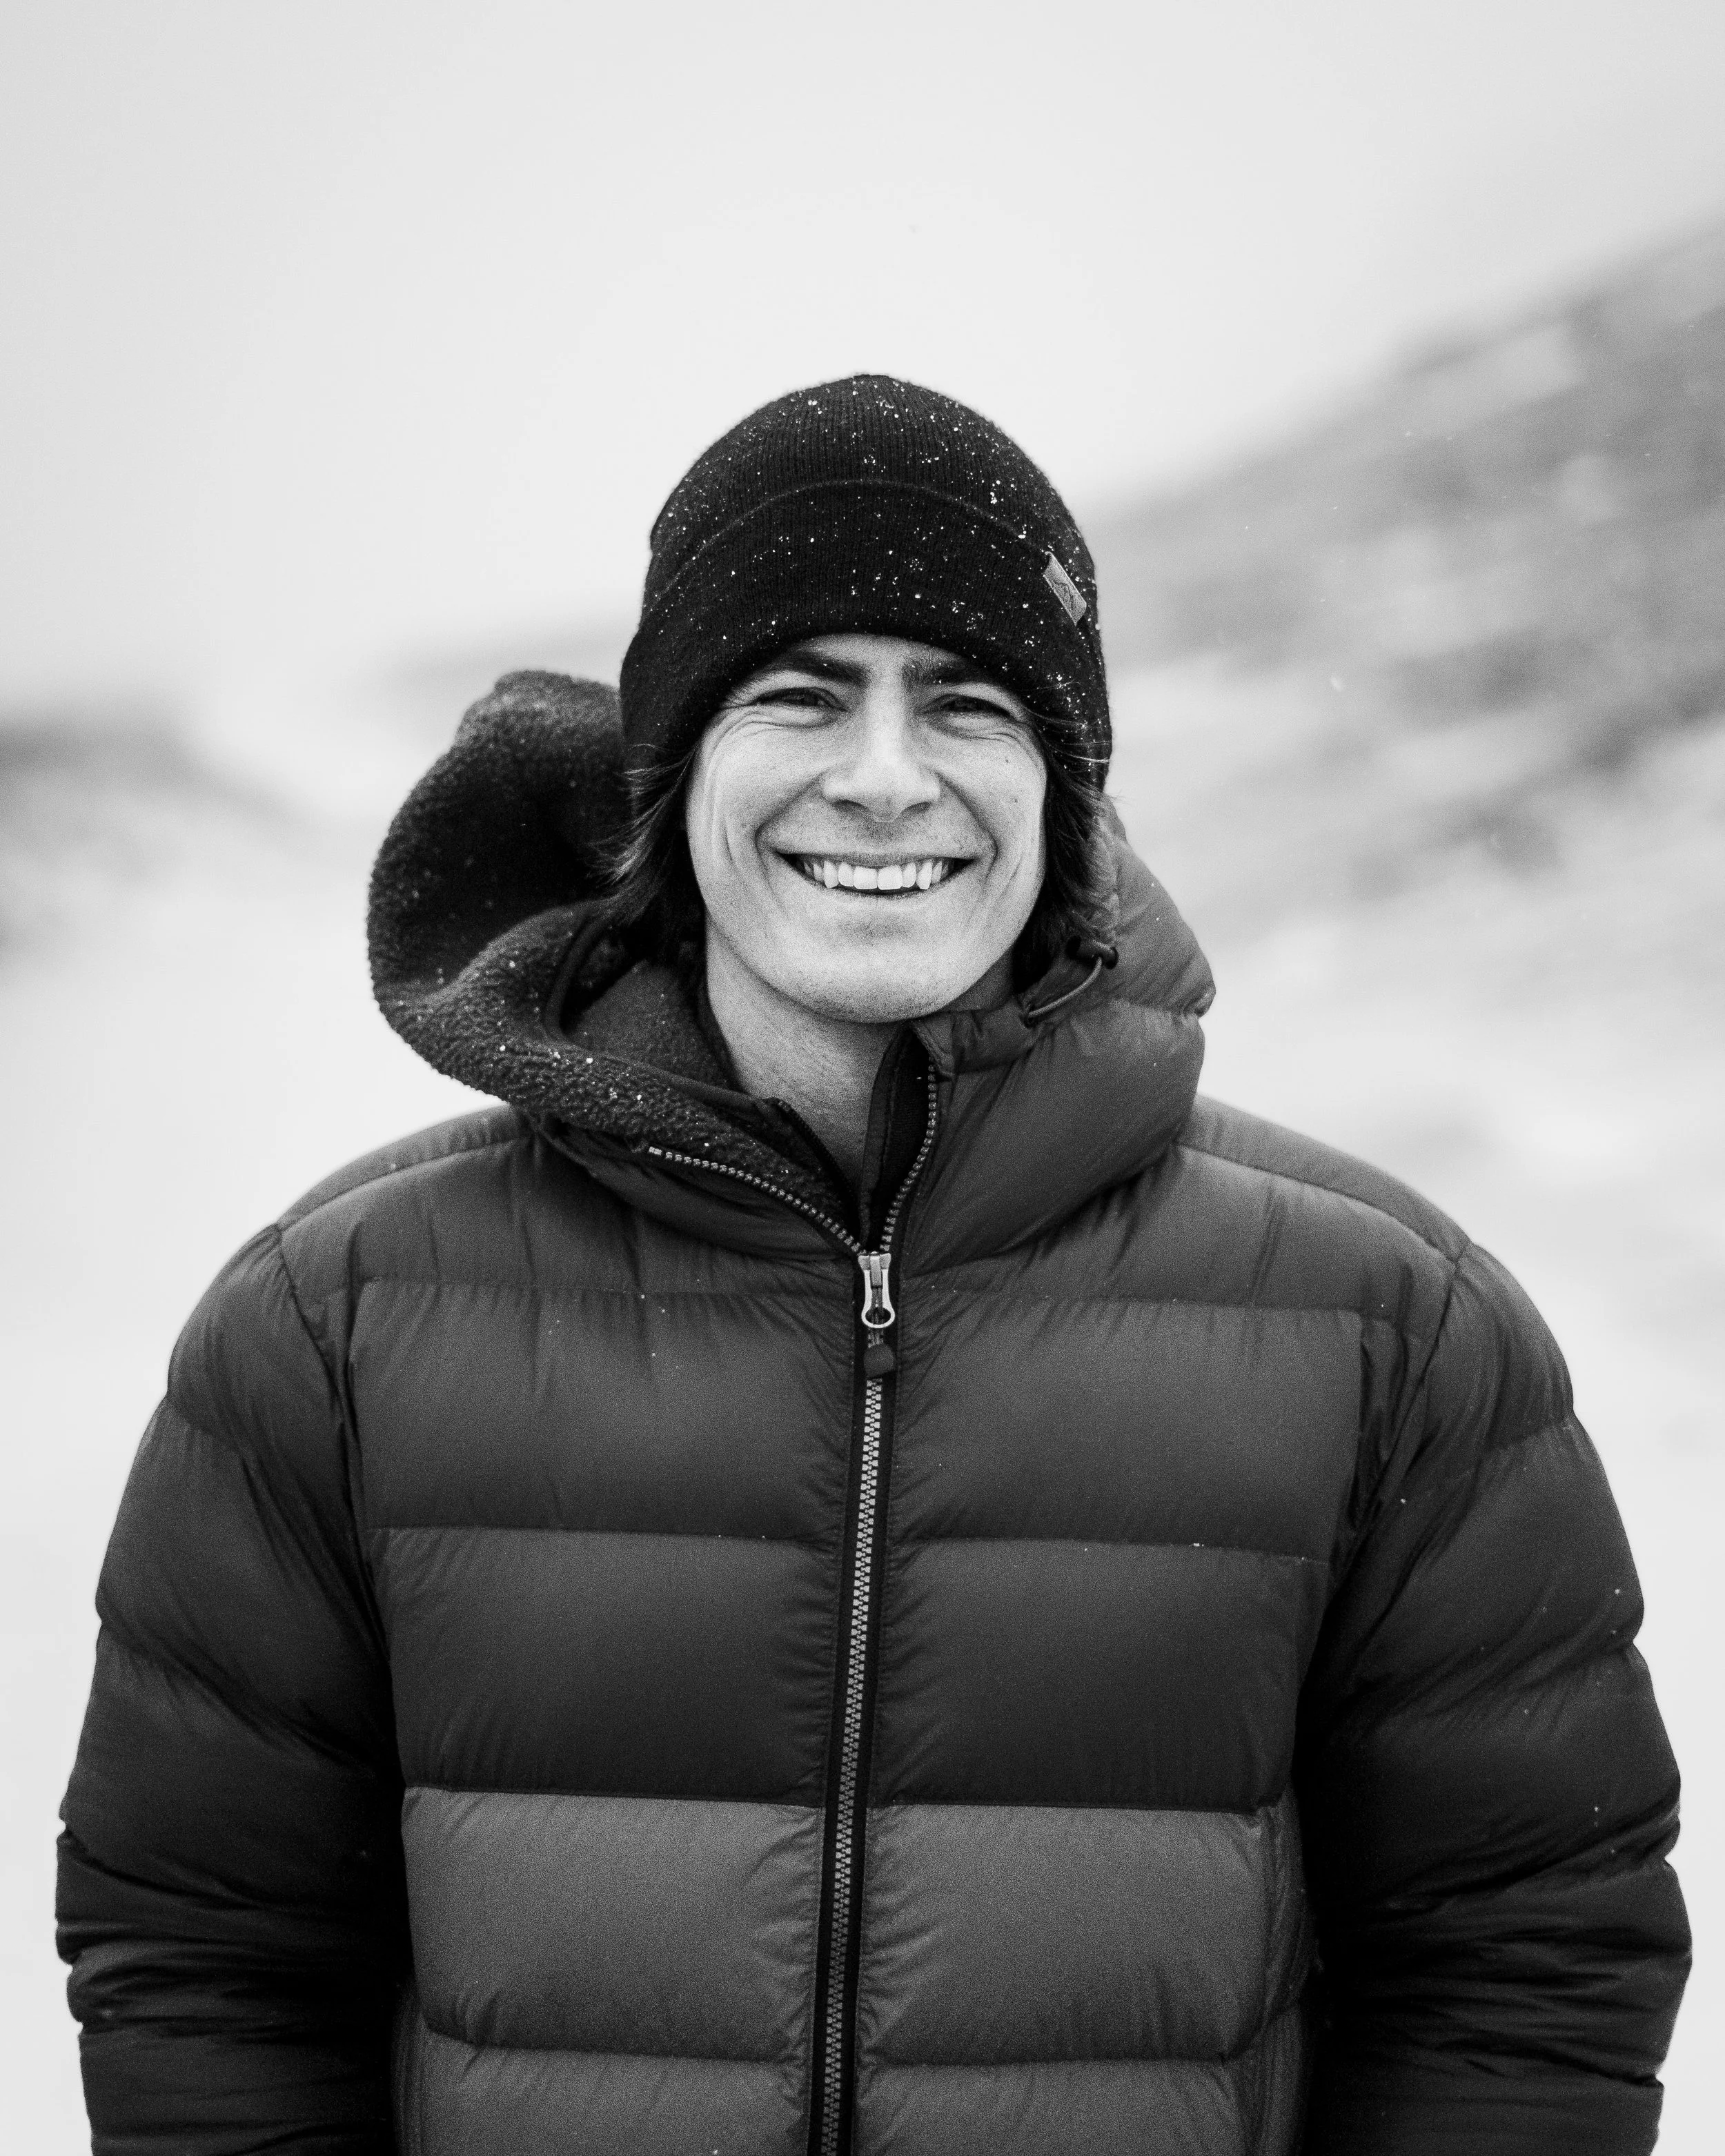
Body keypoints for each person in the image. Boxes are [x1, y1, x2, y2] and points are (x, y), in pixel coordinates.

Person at [58, 375, 1689, 2156]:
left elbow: (1528, 1963)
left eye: (971, 706)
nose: (888, 777)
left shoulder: (1391, 1330)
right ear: (671, 779)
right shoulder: (340, 1327)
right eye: (799, 697)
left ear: (1064, 795)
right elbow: (207, 1965)